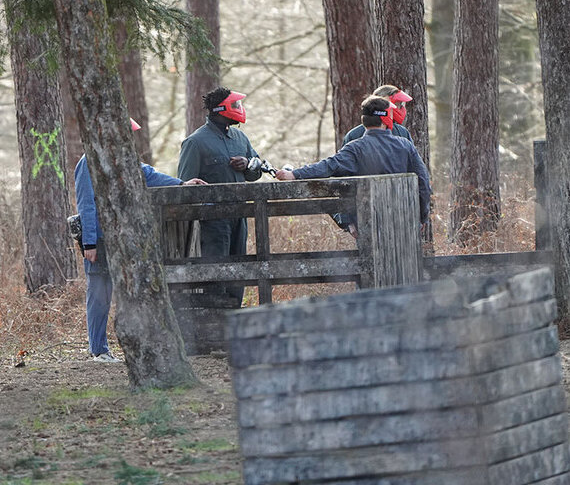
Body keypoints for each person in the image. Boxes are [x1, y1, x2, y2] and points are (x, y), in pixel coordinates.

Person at [75, 118, 206, 362]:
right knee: (99, 293)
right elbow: (86, 205)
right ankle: (98, 350)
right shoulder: (87, 162)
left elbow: (150, 176)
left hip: (123, 236)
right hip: (101, 239)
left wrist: (181, 184)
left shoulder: (125, 160)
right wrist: (89, 242)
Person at [276, 96, 431, 236]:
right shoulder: (405, 145)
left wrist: (294, 174)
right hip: (405, 223)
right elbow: (423, 182)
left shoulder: (355, 148)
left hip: (368, 225)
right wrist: (422, 217)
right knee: (407, 267)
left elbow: (328, 167)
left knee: (371, 267)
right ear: (386, 118)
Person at [177, 87, 261, 306]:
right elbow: (185, 183)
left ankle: (235, 322)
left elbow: (257, 170)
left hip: (239, 218)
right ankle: (214, 327)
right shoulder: (195, 142)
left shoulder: (240, 138)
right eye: (235, 105)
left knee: (239, 270)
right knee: (215, 274)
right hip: (212, 222)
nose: (239, 109)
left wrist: (247, 165)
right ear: (220, 109)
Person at [342, 84, 414, 146]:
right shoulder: (354, 135)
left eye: (399, 105)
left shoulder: (402, 132)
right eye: (396, 104)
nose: (398, 108)